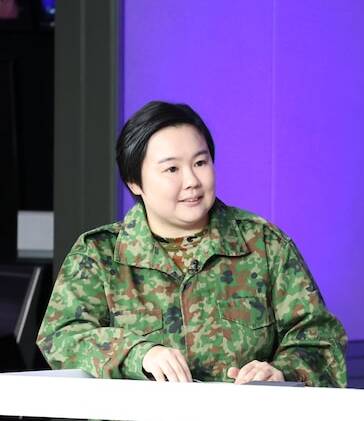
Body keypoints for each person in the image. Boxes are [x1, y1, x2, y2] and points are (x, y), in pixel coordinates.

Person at [37, 101, 347, 386]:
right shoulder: (99, 254)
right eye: (172, 169)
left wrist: (281, 372)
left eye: (200, 162)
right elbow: (60, 338)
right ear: (134, 182)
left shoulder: (264, 245)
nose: (192, 181)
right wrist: (139, 354)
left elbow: (321, 341)